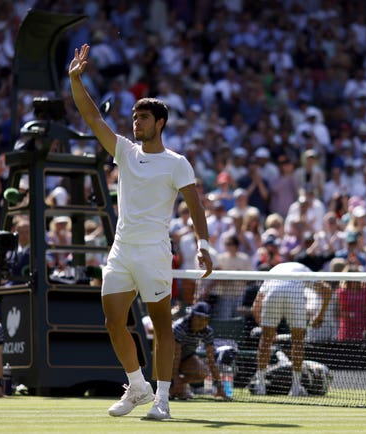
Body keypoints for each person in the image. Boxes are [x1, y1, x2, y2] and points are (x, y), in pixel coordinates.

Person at [69, 44, 213, 420]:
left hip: (153, 252)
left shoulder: (177, 163)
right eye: (135, 116)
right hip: (121, 250)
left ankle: (162, 400)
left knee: (163, 328)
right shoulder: (125, 151)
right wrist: (75, 79)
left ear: (159, 123)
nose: (137, 122)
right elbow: (91, 117)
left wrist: (203, 244)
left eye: (144, 117)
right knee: (113, 320)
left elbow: (195, 206)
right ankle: (137, 386)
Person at [251, 262, 325, 396]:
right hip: (294, 294)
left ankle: (260, 385)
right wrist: (320, 315)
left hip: (273, 292)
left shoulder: (273, 272)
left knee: (265, 340)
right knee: (298, 341)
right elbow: (327, 290)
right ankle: (296, 387)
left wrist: (266, 330)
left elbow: (255, 307)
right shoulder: (305, 269)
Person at [170, 301, 228, 400]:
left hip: (186, 358)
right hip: (167, 359)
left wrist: (220, 387)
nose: (202, 322)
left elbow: (211, 360)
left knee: (203, 372)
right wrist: (175, 378)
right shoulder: (179, 327)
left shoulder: (208, 332)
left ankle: (178, 387)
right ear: (192, 316)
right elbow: (176, 356)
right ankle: (171, 387)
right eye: (199, 317)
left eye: (206, 319)